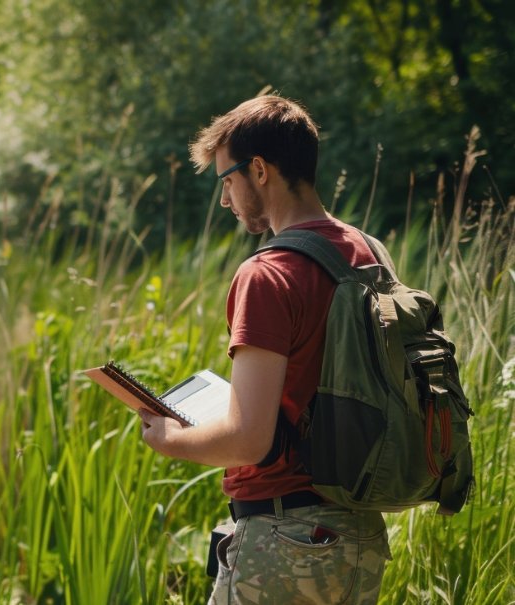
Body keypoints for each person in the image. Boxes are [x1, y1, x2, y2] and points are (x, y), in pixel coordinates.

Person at [137, 95, 391, 604]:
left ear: (258, 169)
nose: (225, 200)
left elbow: (249, 440)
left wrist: (170, 439)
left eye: (227, 181)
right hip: (360, 540)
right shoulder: (368, 253)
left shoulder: (267, 274)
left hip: (285, 542)